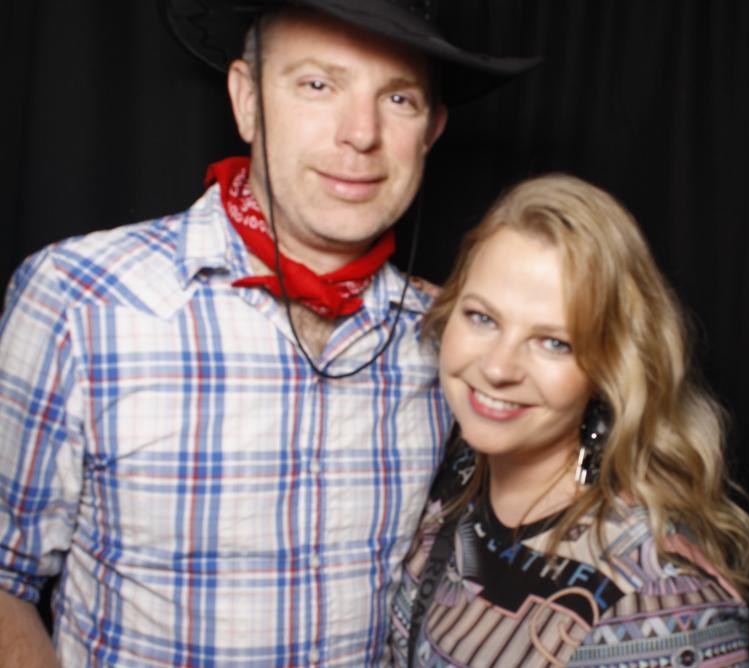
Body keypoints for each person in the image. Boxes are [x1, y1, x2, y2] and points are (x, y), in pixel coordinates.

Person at [0, 1, 537, 665]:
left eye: (398, 99)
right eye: (318, 84)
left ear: (431, 130)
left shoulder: (449, 340)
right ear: (247, 101)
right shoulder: (79, 299)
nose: (360, 134)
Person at [389, 174, 749, 667]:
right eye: (482, 318)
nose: (498, 368)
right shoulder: (457, 476)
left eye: (554, 342)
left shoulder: (657, 602)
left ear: (612, 366)